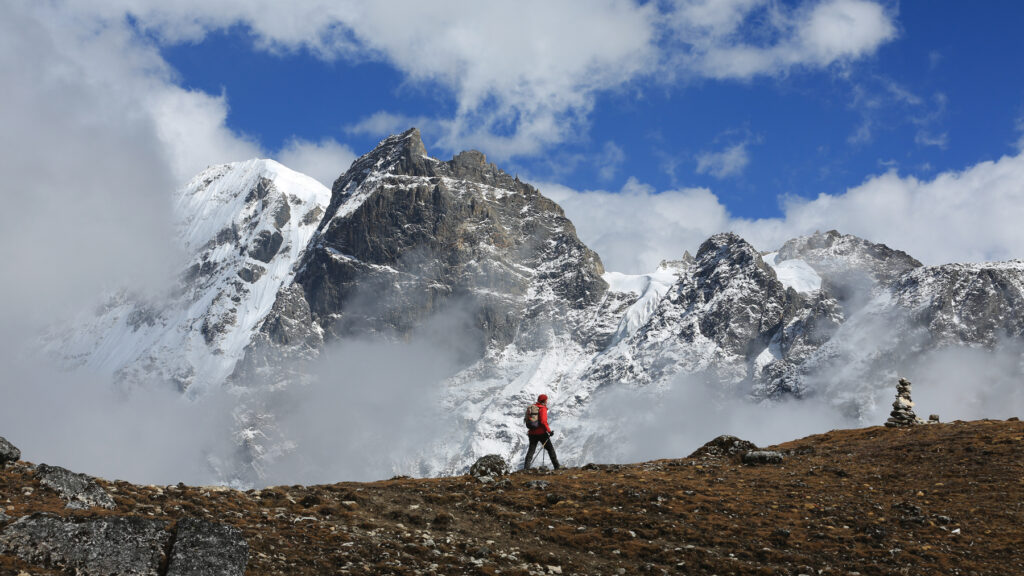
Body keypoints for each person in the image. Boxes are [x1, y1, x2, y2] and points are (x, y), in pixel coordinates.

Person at [523, 394, 560, 470]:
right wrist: (549, 431)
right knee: (550, 449)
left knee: (531, 451)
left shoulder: (533, 407)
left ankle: (526, 468)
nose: (547, 401)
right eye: (546, 400)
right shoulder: (542, 408)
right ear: (544, 400)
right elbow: (543, 421)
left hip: (532, 433)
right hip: (541, 433)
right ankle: (557, 466)